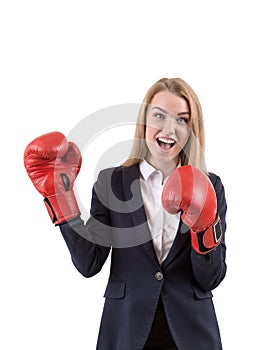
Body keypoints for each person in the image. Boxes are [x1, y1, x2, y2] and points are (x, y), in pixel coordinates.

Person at [24, 77, 227, 350]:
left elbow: (210, 278)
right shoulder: (113, 183)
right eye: (159, 116)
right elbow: (88, 263)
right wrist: (61, 198)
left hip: (191, 333)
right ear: (144, 122)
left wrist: (203, 228)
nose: (170, 128)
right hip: (126, 331)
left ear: (192, 128)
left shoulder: (210, 185)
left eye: (182, 119)